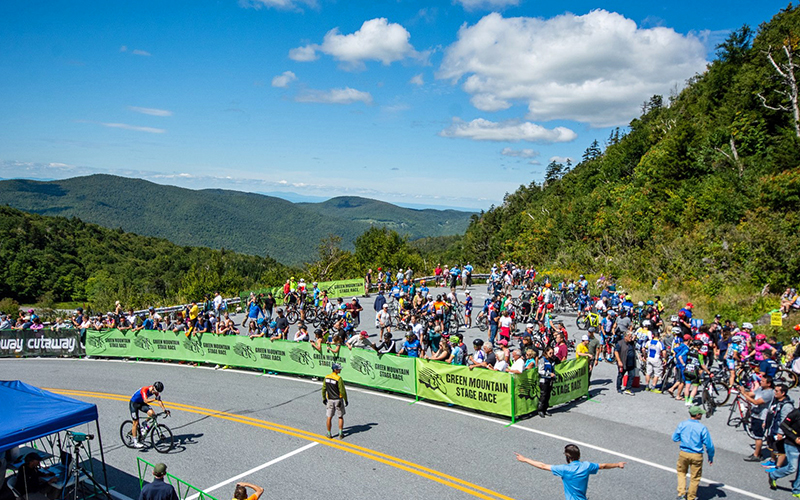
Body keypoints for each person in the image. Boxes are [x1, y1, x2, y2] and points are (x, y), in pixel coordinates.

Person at [514, 445, 625, 500]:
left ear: (567, 458)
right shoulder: (586, 466)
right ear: (579, 455)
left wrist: (525, 459)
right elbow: (603, 466)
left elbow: (542, 466)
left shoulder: (564, 469)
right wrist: (617, 464)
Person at [672, 406, 714, 500]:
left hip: (684, 453)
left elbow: (674, 438)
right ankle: (691, 497)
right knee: (695, 477)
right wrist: (710, 457)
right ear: (697, 415)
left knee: (681, 472)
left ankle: (681, 494)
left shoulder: (682, 424)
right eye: (701, 414)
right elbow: (709, 445)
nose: (702, 415)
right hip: (697, 455)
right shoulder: (702, 428)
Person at [740, 376, 774, 462]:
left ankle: (756, 455)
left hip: (762, 417)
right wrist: (743, 391)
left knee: (759, 436)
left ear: (769, 383)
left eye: (763, 381)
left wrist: (744, 394)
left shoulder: (769, 393)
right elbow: (751, 394)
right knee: (755, 435)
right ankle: (758, 452)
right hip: (755, 415)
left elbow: (756, 402)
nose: (761, 382)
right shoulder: (760, 389)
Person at [769, 401, 800, 494]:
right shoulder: (795, 413)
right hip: (791, 444)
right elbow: (784, 425)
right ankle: (773, 475)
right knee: (792, 468)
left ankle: (796, 490)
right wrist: (795, 438)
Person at [129, 382, 170, 448]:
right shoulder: (145, 389)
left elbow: (159, 400)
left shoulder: (155, 391)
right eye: (155, 391)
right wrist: (154, 399)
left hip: (141, 403)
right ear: (153, 387)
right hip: (134, 404)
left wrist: (164, 410)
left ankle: (144, 422)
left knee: (152, 413)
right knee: (135, 422)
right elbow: (145, 400)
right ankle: (135, 442)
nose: (155, 392)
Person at [322, 363, 348, 439]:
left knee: (329, 417)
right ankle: (340, 433)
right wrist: (346, 399)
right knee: (340, 416)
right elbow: (342, 391)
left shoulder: (326, 377)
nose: (340, 370)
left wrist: (324, 398)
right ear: (335, 370)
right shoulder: (338, 379)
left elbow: (324, 389)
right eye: (339, 369)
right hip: (338, 400)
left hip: (330, 400)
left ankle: (329, 433)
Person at [537, 346, 557, 417]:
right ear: (546, 352)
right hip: (544, 380)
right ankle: (540, 410)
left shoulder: (552, 360)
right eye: (550, 353)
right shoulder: (542, 360)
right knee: (543, 395)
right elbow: (540, 371)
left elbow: (553, 369)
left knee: (548, 395)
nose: (551, 354)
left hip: (550, 380)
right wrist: (548, 374)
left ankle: (545, 409)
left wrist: (554, 375)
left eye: (552, 353)